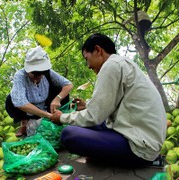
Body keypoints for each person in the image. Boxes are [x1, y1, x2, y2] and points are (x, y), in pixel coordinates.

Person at [50, 33, 166, 166]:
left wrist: (61, 117)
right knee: (87, 125)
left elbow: (94, 116)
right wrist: (87, 106)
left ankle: (128, 160)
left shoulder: (111, 66)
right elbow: (109, 105)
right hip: (142, 137)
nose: (88, 65)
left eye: (87, 58)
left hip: (140, 148)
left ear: (98, 50)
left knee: (68, 134)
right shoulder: (121, 63)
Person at [5, 46, 73, 137]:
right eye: (35, 73)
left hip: (45, 105)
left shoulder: (48, 73)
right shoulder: (20, 76)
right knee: (11, 98)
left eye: (42, 73)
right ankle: (24, 124)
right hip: (27, 110)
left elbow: (68, 84)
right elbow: (20, 103)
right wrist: (48, 115)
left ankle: (58, 117)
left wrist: (57, 99)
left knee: (61, 90)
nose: (39, 76)